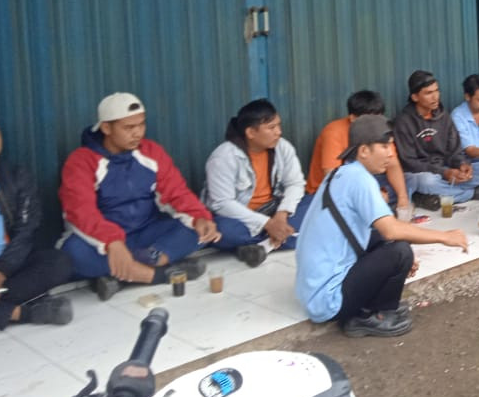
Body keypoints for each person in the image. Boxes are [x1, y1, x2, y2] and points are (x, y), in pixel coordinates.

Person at [295, 115, 468, 338]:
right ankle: (370, 317)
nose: (390, 154)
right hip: (328, 300)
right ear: (363, 151)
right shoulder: (359, 179)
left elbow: (376, 234)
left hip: (314, 293)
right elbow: (391, 229)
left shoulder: (341, 173)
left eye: (391, 147)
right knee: (399, 250)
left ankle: (374, 306)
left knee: (389, 244)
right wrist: (444, 237)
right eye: (384, 147)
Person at [60, 93, 218, 300]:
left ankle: (127, 272)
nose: (137, 133)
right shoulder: (81, 161)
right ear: (106, 128)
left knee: (199, 230)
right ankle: (156, 275)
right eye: (128, 128)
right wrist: (112, 242)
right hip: (104, 242)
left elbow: (177, 193)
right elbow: (81, 212)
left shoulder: (151, 151)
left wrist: (200, 217)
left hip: (147, 234)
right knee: (72, 254)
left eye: (141, 125)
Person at [204, 99, 311, 268]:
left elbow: (295, 183)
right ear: (251, 132)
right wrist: (267, 224)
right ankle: (282, 237)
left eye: (278, 125)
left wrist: (281, 215)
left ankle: (262, 246)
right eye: (271, 127)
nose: (279, 132)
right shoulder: (223, 157)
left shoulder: (283, 147)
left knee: (317, 203)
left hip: (274, 210)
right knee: (222, 229)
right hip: (241, 218)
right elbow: (222, 203)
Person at [0, 118, 74, 329]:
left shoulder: (16, 176)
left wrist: (1, 272)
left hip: (9, 266)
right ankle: (25, 313)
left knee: (59, 263)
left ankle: (2, 305)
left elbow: (26, 230)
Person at [394, 70, 479, 210]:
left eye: (437, 91)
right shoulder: (404, 122)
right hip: (421, 173)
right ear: (415, 97)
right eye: (428, 93)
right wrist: (443, 172)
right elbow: (410, 163)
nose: (435, 97)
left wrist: (462, 164)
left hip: (447, 171)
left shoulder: (443, 116)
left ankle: (435, 197)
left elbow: (454, 150)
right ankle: (472, 193)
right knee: (427, 181)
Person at [307, 90, 410, 214]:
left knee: (408, 185)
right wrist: (372, 193)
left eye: (378, 118)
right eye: (369, 120)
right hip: (332, 189)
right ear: (353, 118)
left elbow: (393, 165)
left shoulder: (380, 130)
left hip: (370, 180)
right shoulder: (334, 132)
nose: (375, 124)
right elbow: (333, 177)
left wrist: (402, 198)